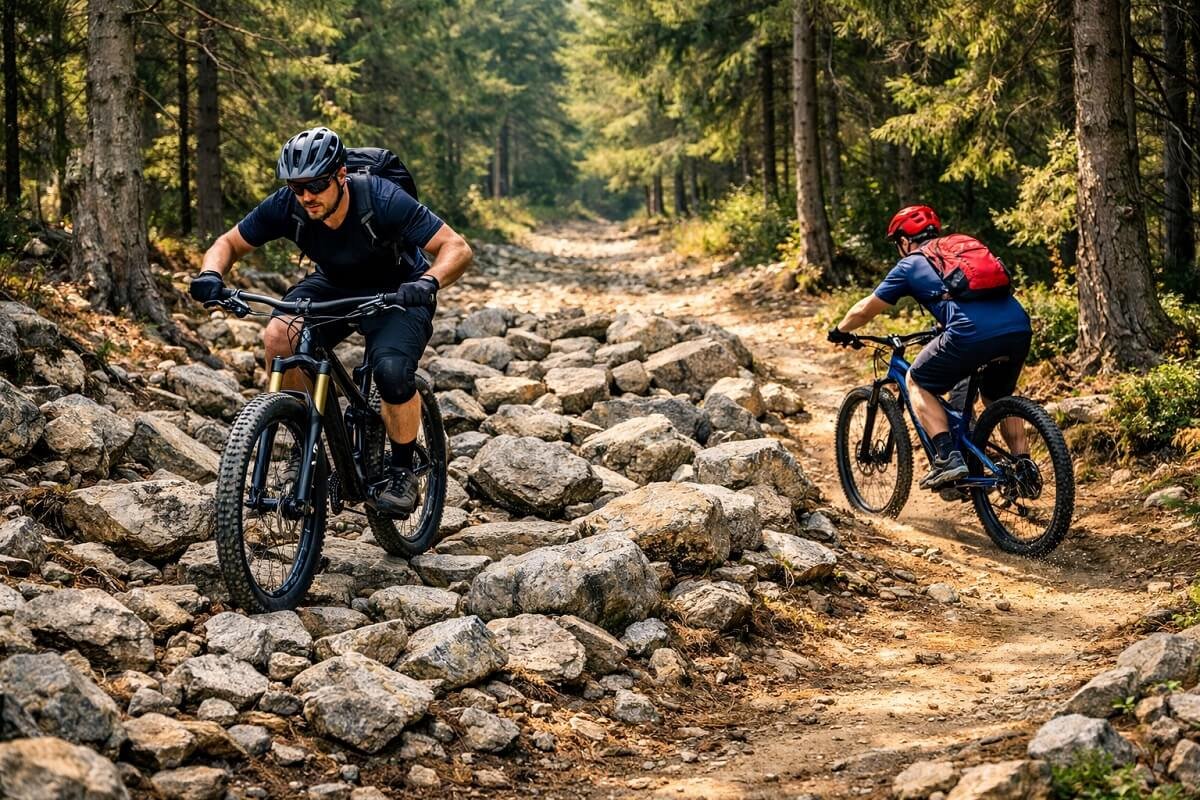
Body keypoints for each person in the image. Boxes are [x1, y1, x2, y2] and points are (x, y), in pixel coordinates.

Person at [188, 126, 473, 516]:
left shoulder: (383, 198)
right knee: (279, 335)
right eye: (297, 186)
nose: (306, 196)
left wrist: (427, 281)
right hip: (334, 285)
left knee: (391, 371)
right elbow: (229, 243)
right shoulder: (288, 205)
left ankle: (403, 471)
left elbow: (456, 247)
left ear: (340, 175)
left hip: (399, 288)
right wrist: (211, 275)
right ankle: (304, 445)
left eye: (317, 184)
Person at [828, 204, 1032, 491]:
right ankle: (1024, 468)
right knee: (998, 397)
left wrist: (840, 331)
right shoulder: (959, 250)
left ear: (902, 241)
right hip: (1018, 326)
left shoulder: (910, 264)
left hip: (969, 333)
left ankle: (948, 458)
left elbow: (865, 310)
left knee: (917, 381)